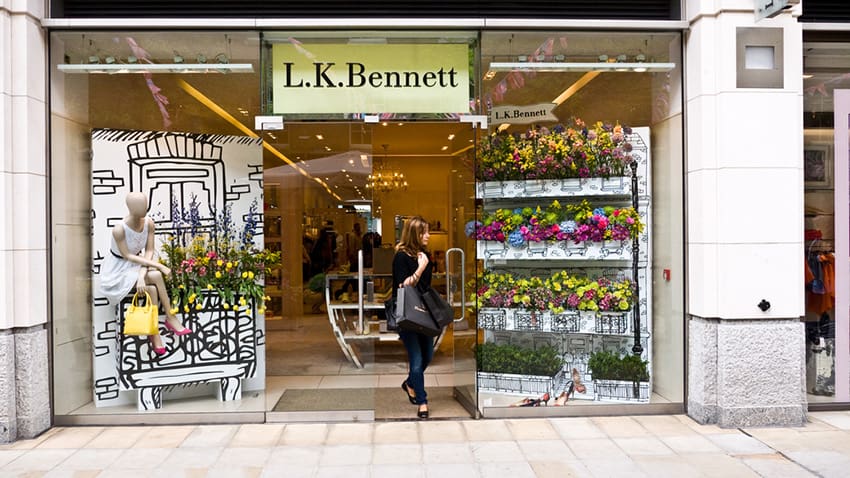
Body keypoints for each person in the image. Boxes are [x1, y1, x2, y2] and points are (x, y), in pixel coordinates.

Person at [99, 192, 191, 355]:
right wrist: (159, 266)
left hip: (137, 264)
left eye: (145, 203)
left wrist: (141, 276)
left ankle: (168, 318)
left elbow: (148, 252)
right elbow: (128, 256)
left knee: (154, 281)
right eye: (139, 205)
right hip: (118, 269)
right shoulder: (119, 229)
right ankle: (156, 331)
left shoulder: (149, 223)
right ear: (130, 207)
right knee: (155, 280)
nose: (144, 207)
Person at [392, 216, 433, 419]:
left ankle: (410, 383)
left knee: (428, 356)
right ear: (415, 234)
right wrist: (421, 267)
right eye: (424, 232)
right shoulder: (401, 257)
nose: (428, 235)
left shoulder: (425, 255)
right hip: (408, 314)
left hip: (424, 313)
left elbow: (426, 286)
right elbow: (403, 285)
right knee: (416, 359)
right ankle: (422, 401)